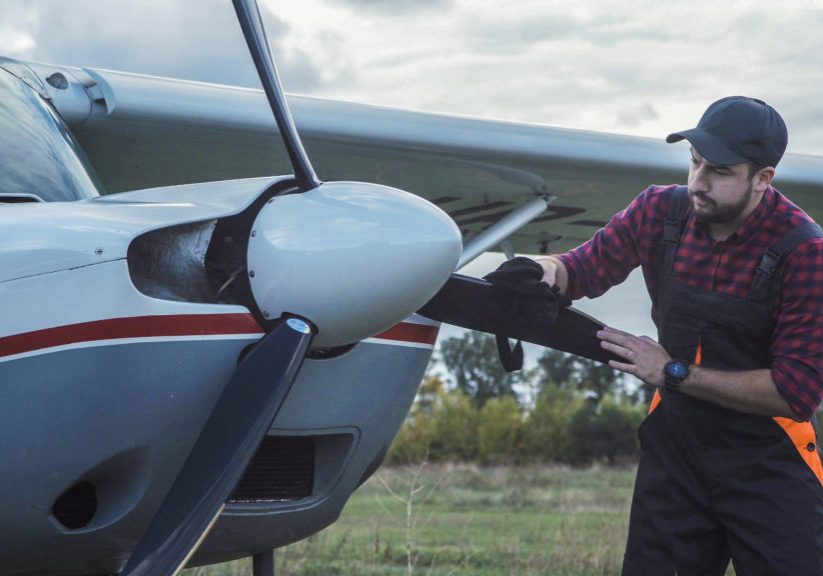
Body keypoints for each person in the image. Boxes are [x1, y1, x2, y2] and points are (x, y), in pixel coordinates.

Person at [538, 96, 823, 575]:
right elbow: (579, 269)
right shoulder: (659, 212)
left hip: (769, 463)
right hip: (675, 456)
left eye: (720, 171)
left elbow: (795, 391)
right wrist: (537, 270)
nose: (698, 182)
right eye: (694, 163)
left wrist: (671, 372)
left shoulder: (804, 251)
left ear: (763, 179)